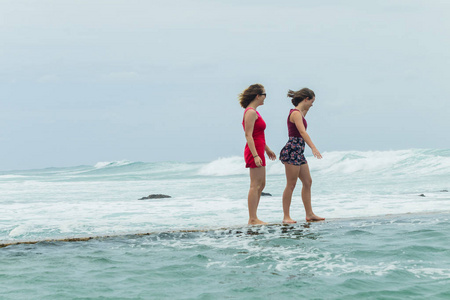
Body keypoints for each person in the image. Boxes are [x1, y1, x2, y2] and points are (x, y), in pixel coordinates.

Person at [279, 88, 324, 223]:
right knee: (291, 184)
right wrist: (314, 148)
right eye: (311, 101)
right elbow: (303, 132)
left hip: (299, 151)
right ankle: (286, 216)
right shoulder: (295, 114)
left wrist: (307, 106)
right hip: (292, 149)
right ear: (306, 99)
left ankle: (309, 214)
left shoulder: (301, 113)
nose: (312, 104)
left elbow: (305, 110)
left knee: (307, 182)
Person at [239, 84, 276, 225]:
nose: (265, 97)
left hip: (259, 149)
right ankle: (252, 218)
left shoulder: (255, 112)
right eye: (265, 94)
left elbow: (258, 134)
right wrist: (255, 155)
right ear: (258, 96)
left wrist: (267, 149)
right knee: (255, 185)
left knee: (262, 184)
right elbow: (248, 135)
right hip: (253, 151)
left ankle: (254, 217)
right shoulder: (250, 112)